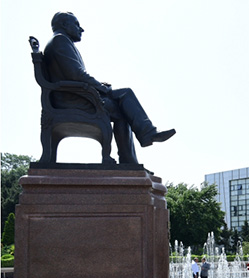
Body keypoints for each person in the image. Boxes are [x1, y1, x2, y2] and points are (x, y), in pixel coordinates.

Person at [43, 12, 176, 164]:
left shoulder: (60, 41)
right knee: (124, 100)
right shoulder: (60, 40)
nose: (81, 29)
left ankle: (138, 148)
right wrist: (102, 88)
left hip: (76, 94)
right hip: (71, 99)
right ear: (64, 25)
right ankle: (142, 142)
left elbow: (74, 75)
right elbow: (76, 74)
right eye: (77, 24)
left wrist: (100, 86)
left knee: (125, 99)